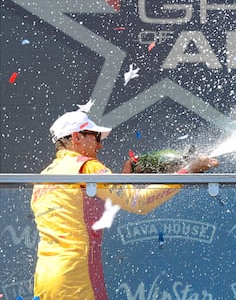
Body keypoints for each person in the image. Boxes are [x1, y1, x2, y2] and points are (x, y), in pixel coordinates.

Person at [30, 110, 218, 300]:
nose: (100, 145)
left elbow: (79, 212)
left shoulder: (44, 178)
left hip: (45, 277)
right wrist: (188, 171)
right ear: (77, 137)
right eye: (96, 137)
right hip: (76, 276)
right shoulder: (87, 167)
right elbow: (139, 203)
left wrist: (124, 179)